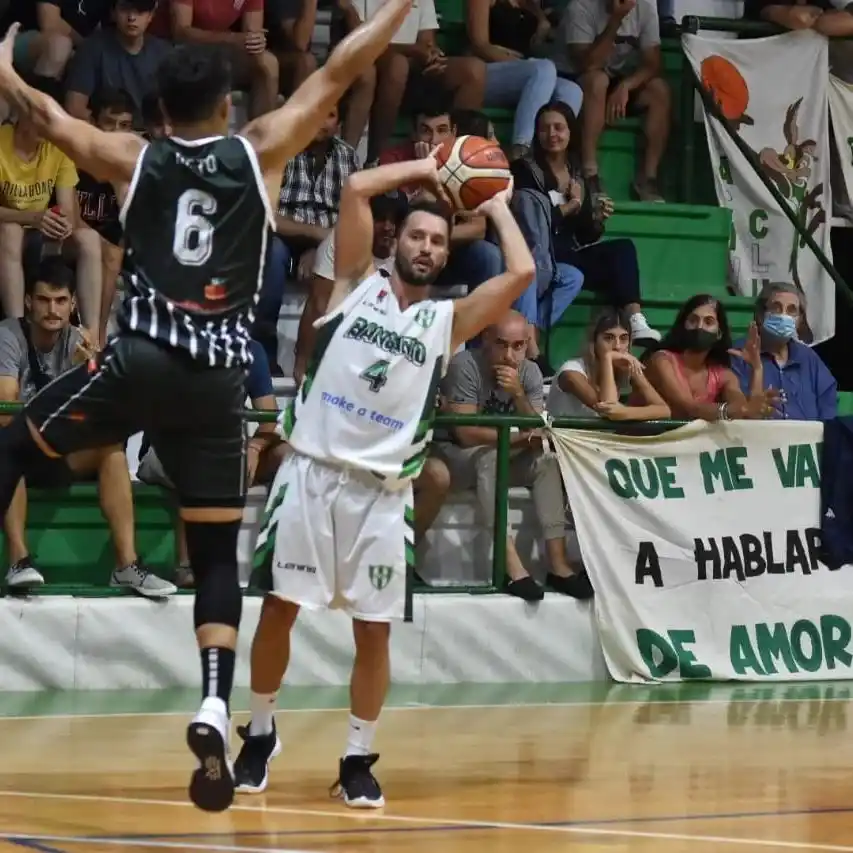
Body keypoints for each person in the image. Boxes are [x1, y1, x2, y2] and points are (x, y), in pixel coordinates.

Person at [0, 0, 416, 813]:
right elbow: (340, 68)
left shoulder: (134, 156)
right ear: (227, 106)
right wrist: (395, 5)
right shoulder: (259, 149)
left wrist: (2, 65)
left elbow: (46, 115)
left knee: (15, 445)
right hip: (221, 381)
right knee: (218, 553)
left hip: (141, 363)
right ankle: (216, 701)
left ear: (159, 111)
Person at [238, 158, 534, 806]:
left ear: (443, 252)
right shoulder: (352, 284)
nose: (425, 247)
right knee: (277, 610)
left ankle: (356, 757)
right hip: (311, 476)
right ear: (394, 241)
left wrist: (498, 201)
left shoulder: (448, 323)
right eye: (416, 236)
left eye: (436, 240)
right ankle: (259, 732)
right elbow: (354, 188)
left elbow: (521, 274)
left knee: (373, 632)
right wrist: (431, 167)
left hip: (381, 497)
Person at [643, 294, 780, 421]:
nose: (699, 327)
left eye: (708, 322)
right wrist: (738, 410)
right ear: (683, 325)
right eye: (693, 320)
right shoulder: (662, 360)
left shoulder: (723, 375)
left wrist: (757, 369)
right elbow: (688, 409)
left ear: (719, 333)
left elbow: (745, 414)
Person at [547, 307, 669, 420]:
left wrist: (624, 412)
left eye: (623, 339)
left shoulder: (625, 366)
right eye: (608, 338)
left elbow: (664, 411)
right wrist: (607, 358)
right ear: (594, 341)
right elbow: (608, 410)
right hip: (565, 441)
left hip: (599, 440)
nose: (617, 346)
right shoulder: (571, 373)